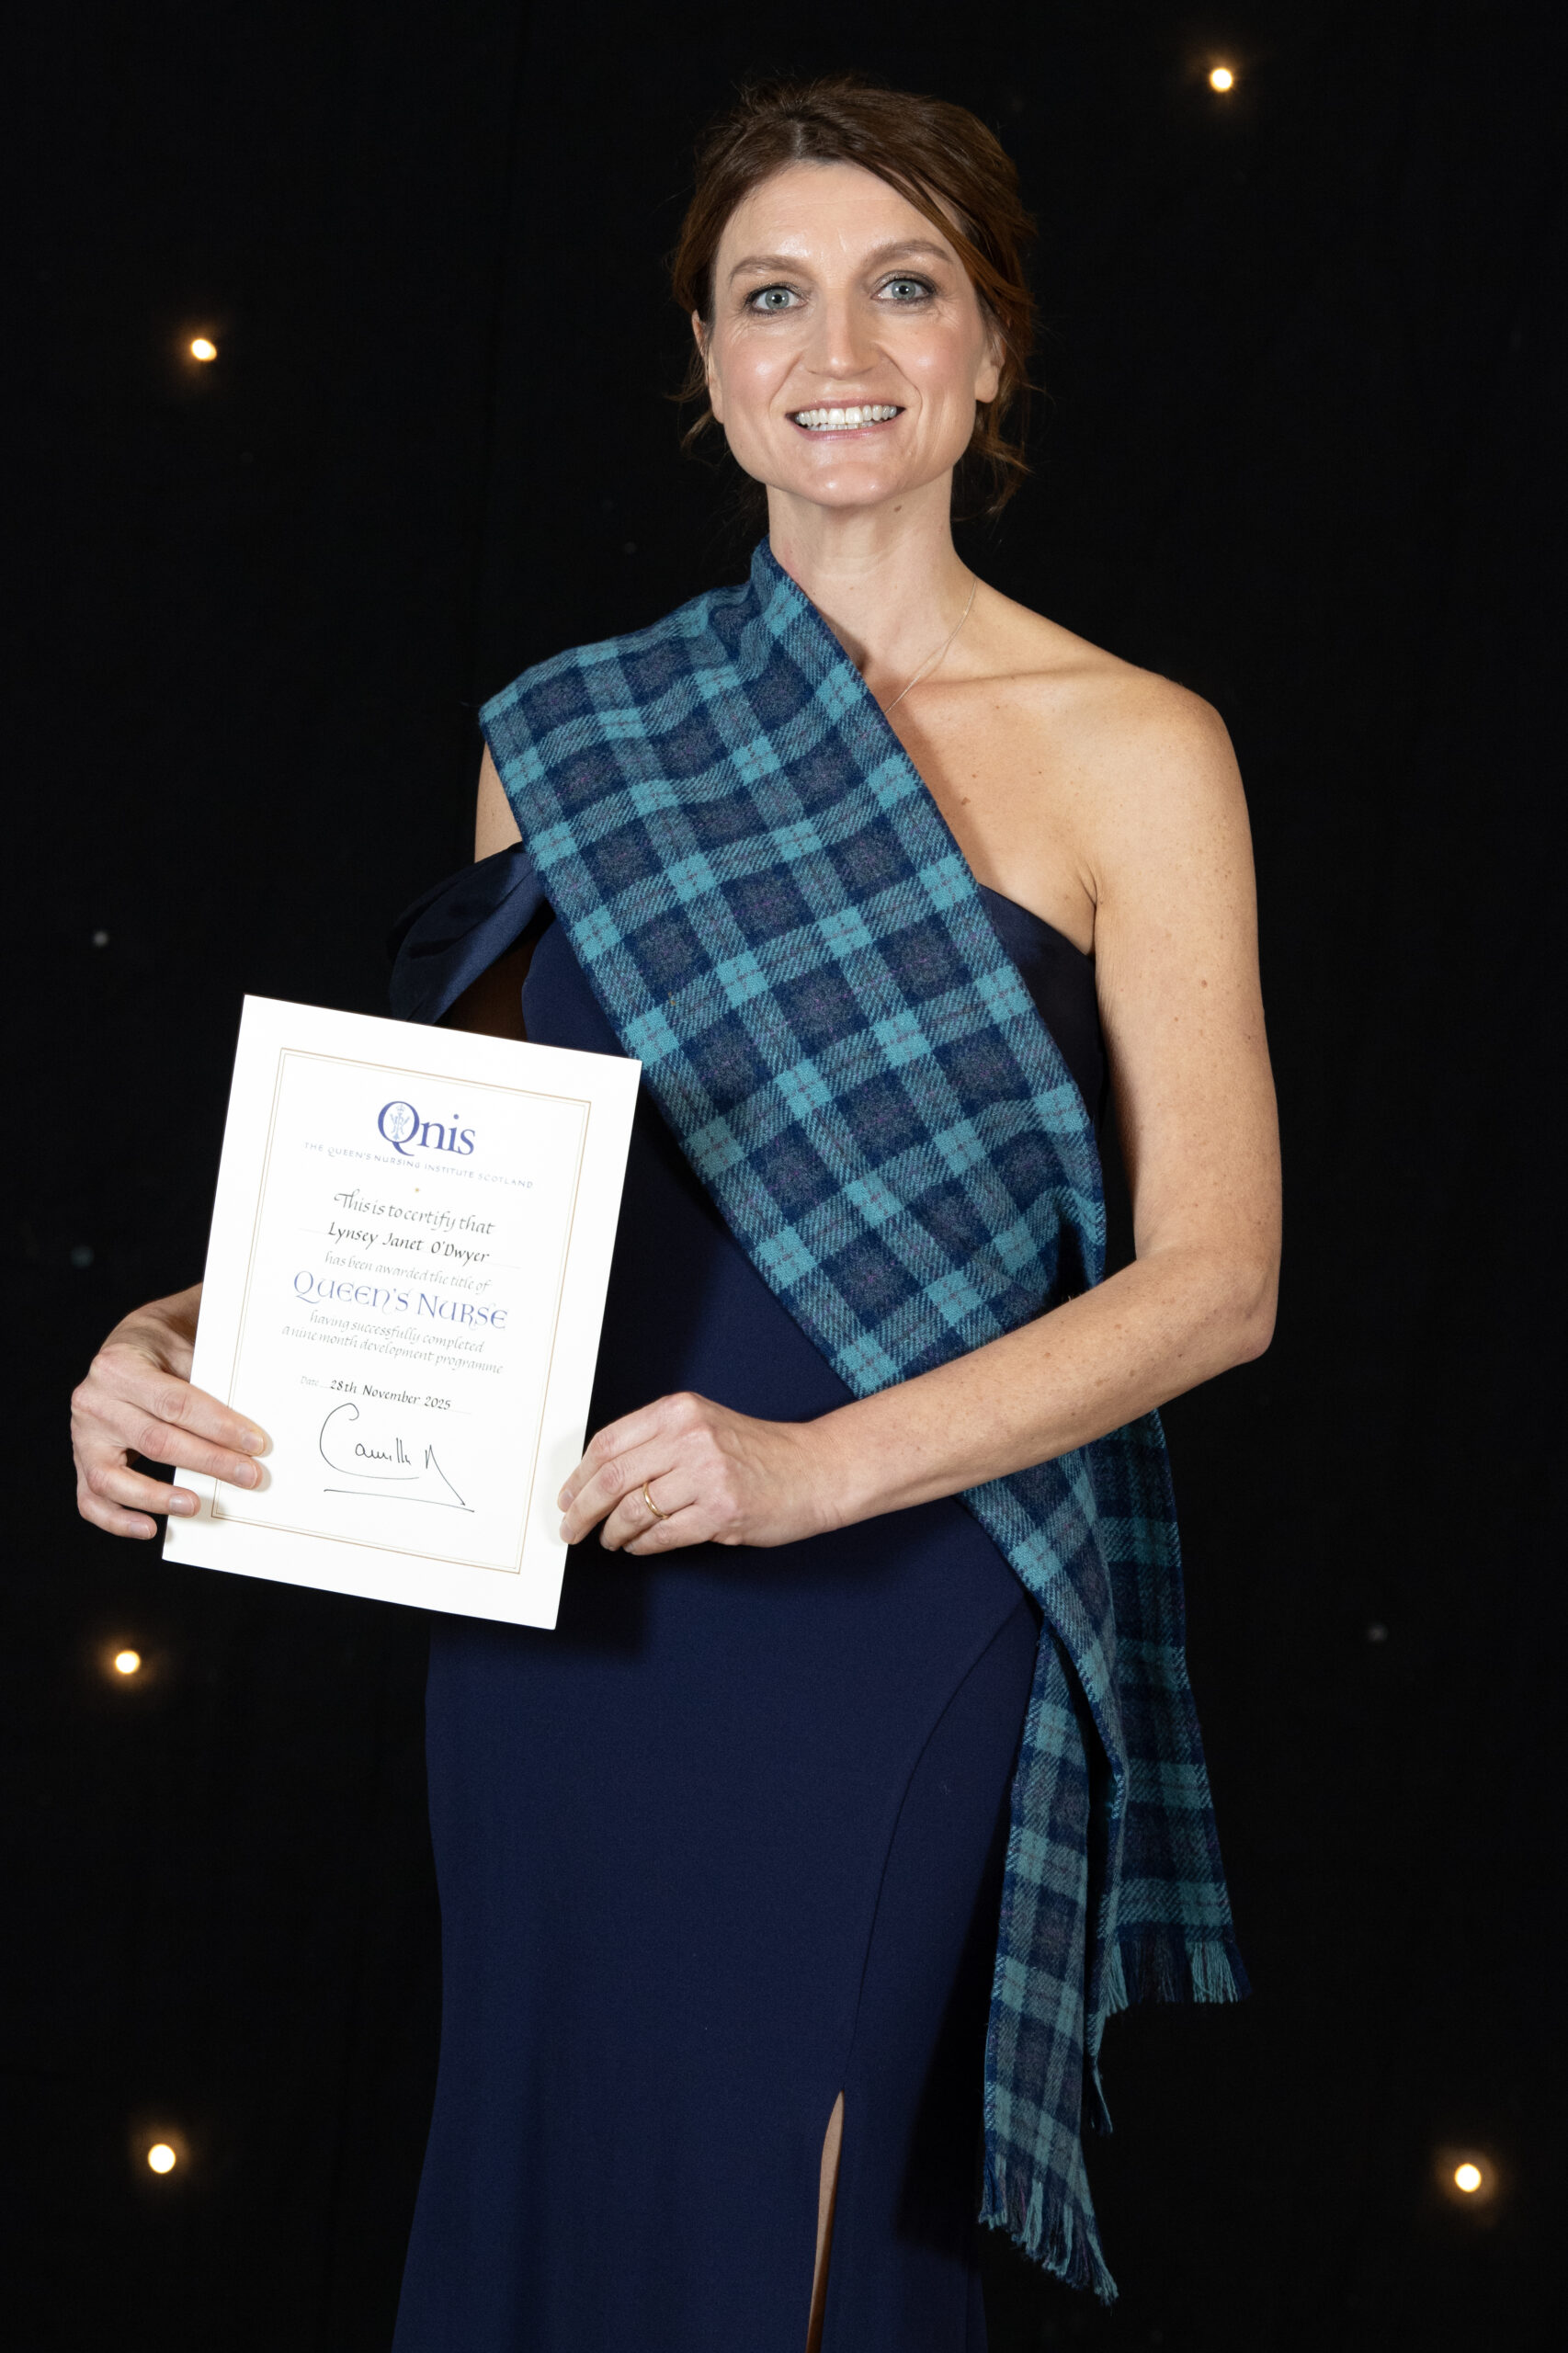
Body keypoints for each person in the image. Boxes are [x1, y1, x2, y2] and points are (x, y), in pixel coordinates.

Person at [71, 75, 1279, 2353]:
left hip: (905, 1577)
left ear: (990, 349)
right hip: (576, 1583)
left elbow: (1218, 1278)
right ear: (713, 364)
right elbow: (470, 1188)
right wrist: (176, 1328)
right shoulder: (578, 729)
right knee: (554, 2188)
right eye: (774, 294)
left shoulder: (1139, 745)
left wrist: (811, 1466)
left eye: (903, 285)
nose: (840, 342)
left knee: (784, 2232)